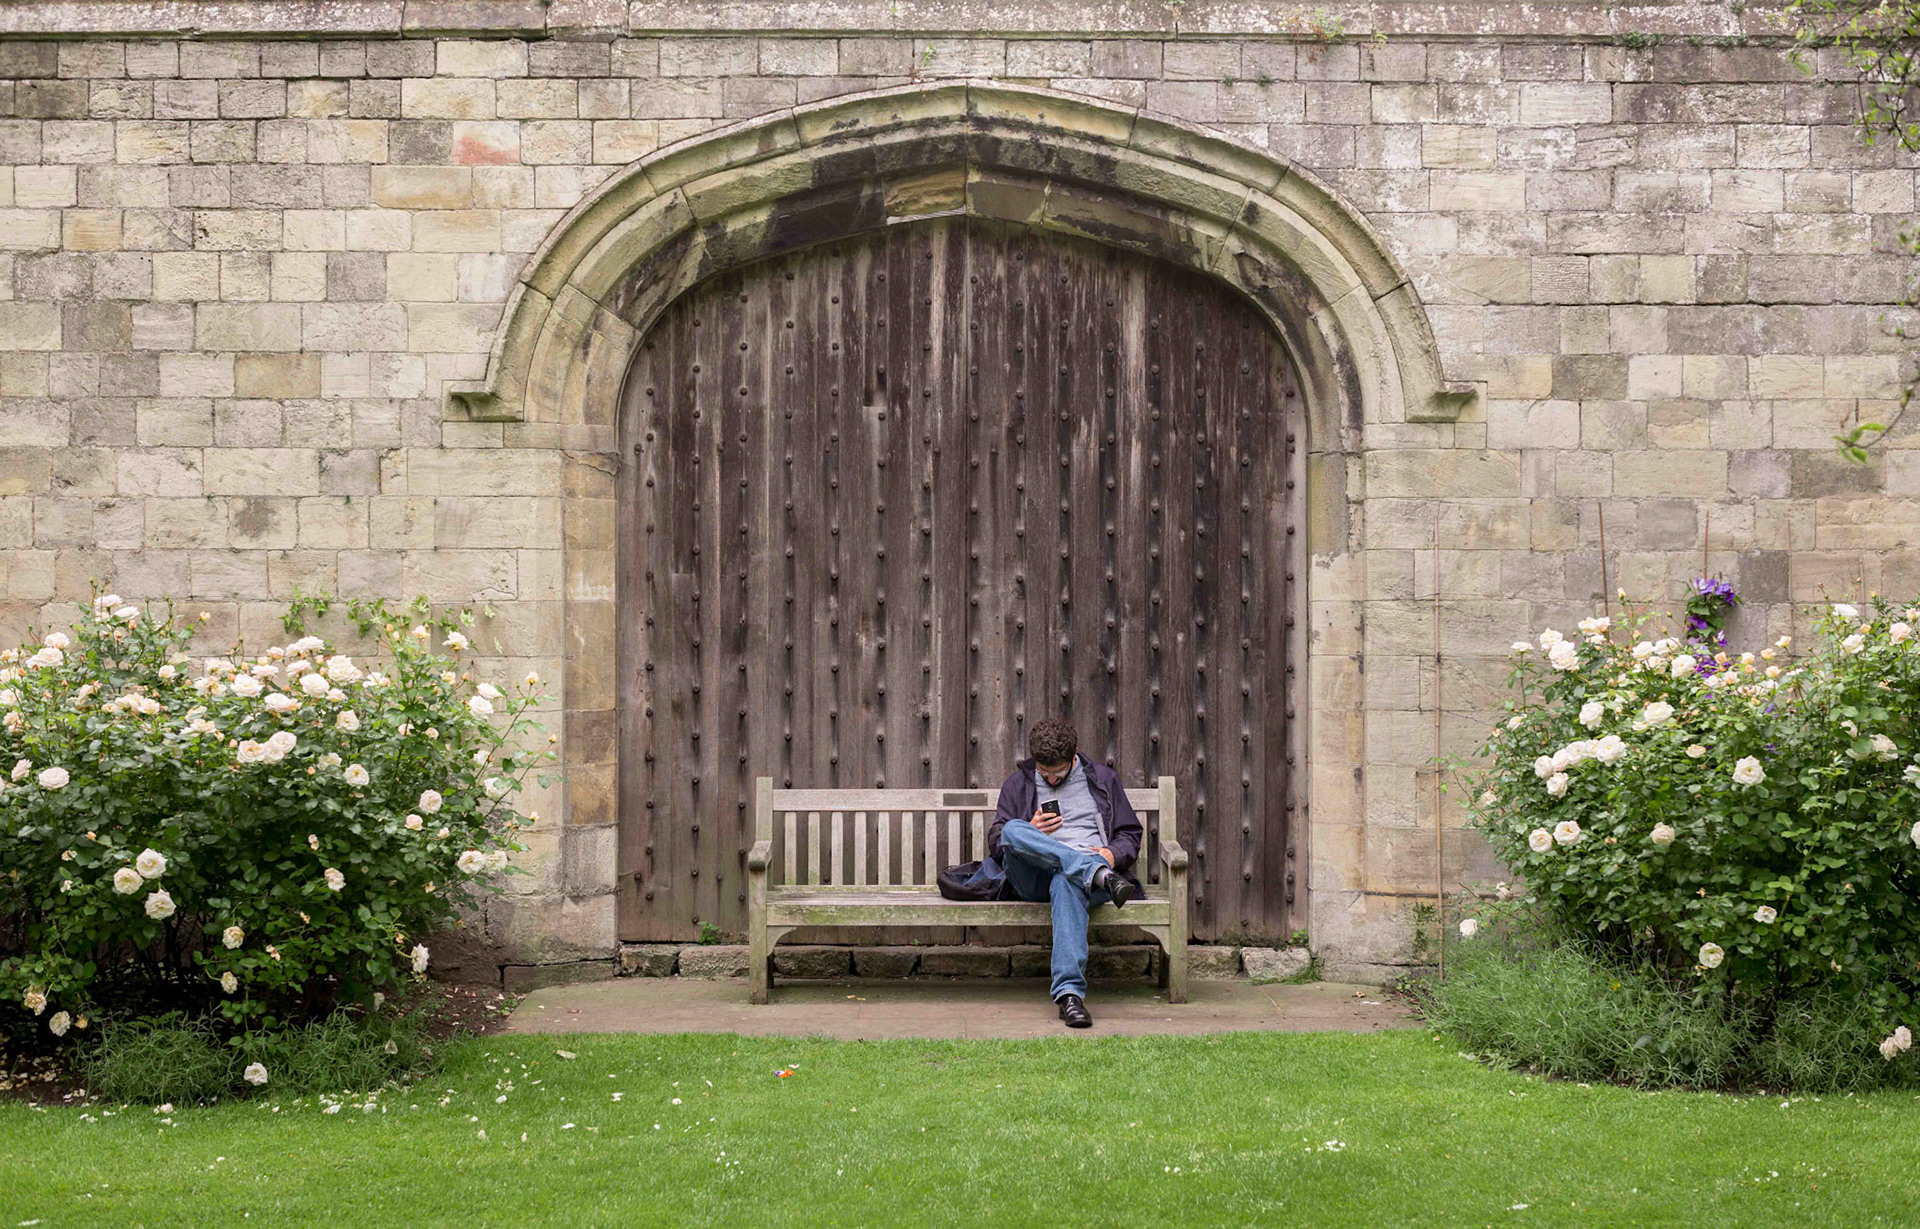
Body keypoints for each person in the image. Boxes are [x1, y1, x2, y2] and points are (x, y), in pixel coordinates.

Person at [987, 718, 1142, 1029]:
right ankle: (1093, 871)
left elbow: (1129, 834)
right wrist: (1031, 830)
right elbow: (998, 842)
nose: (1051, 779)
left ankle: (1069, 996)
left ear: (1075, 755)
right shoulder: (1018, 784)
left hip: (1079, 884)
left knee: (1065, 879)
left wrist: (1111, 854)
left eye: (1058, 773)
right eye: (1045, 773)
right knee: (1014, 830)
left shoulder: (1103, 779)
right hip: (1034, 877)